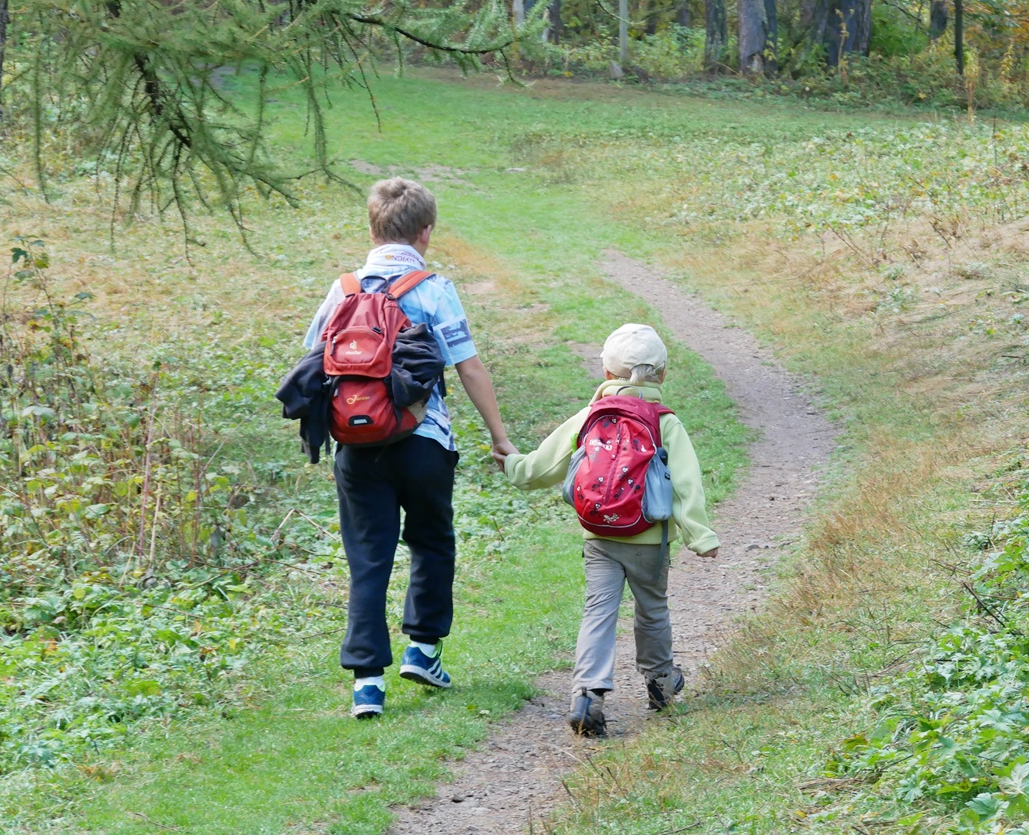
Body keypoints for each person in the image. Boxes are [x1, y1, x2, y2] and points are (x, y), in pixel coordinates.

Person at [303, 177, 516, 718]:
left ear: (372, 228)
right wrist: (499, 437)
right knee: (432, 541)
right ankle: (422, 650)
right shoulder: (433, 288)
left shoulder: (344, 287)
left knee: (368, 557)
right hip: (423, 441)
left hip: (355, 444)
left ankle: (367, 685)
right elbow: (467, 365)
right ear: (427, 232)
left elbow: (314, 359)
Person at [494, 323, 719, 736]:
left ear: (606, 373)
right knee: (652, 610)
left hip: (599, 535)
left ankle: (587, 694)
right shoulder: (665, 422)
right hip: (649, 538)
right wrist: (700, 536)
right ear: (663, 375)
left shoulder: (590, 416)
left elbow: (543, 466)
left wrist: (512, 463)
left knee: (598, 611)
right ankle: (660, 684)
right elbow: (688, 483)